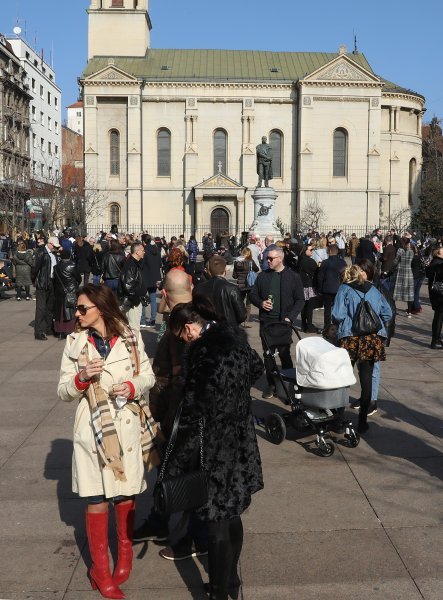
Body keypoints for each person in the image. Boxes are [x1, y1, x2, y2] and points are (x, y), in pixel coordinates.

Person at [58, 284, 156, 599]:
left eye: (82, 308)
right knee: (96, 498)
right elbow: (62, 391)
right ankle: (100, 569)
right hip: (92, 430)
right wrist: (81, 377)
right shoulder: (75, 342)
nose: (77, 313)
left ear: (101, 307)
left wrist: (131, 385)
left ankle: (124, 557)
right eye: (77, 308)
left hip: (125, 428)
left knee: (125, 495)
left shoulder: (130, 336)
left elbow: (149, 377)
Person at [166, 298, 264, 599]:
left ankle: (221, 593)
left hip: (213, 445)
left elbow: (194, 408)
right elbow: (257, 368)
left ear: (188, 328)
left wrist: (178, 459)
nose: (184, 342)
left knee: (216, 522)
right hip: (240, 438)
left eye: (181, 336)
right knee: (232, 513)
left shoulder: (205, 352)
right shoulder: (233, 338)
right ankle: (231, 582)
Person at [332, 264, 392, 434]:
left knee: (343, 378)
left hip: (350, 338)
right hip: (371, 339)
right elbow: (387, 313)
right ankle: (363, 420)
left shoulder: (344, 289)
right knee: (366, 380)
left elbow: (337, 315)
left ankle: (338, 417)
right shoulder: (373, 289)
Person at [249, 246, 304, 399]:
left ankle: (288, 384)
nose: (268, 261)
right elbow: (253, 295)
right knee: (268, 356)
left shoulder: (293, 277)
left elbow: (300, 299)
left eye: (271, 258)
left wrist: (290, 317)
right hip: (267, 322)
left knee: (285, 355)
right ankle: (272, 384)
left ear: (280, 258)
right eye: (267, 258)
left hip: (284, 322)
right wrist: (261, 303)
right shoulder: (262, 276)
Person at [197, 255, 246, 326]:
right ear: (225, 270)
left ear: (208, 270)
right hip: (228, 330)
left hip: (206, 330)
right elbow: (242, 315)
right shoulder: (232, 288)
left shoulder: (199, 288)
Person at [32, 236, 60, 340]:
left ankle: (48, 328)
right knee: (41, 308)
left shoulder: (53, 254)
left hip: (52, 282)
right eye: (54, 246)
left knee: (50, 307)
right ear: (49, 243)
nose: (55, 248)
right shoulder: (41, 252)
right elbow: (35, 268)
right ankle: (39, 332)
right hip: (43, 283)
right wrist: (35, 280)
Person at [53, 249, 81, 339]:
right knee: (70, 310)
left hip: (59, 291)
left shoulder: (56, 266)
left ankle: (60, 331)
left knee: (60, 312)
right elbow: (78, 278)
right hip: (71, 291)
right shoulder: (72, 265)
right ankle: (69, 330)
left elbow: (54, 280)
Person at [317, 245, 346, 328]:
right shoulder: (342, 262)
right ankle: (337, 326)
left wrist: (320, 288)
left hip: (327, 288)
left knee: (327, 310)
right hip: (339, 288)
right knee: (338, 308)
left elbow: (320, 277)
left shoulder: (325, 262)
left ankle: (327, 327)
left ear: (329, 252)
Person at [119, 242, 145, 332]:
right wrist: (137, 299)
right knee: (134, 328)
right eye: (142, 250)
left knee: (135, 327)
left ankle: (138, 345)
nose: (144, 252)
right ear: (137, 252)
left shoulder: (136, 263)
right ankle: (134, 345)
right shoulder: (131, 265)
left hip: (135, 300)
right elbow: (128, 286)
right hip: (132, 302)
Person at [298, 243, 323, 333]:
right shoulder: (309, 261)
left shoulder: (301, 259)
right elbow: (316, 272)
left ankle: (304, 325)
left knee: (304, 306)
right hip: (309, 286)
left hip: (302, 285)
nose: (312, 251)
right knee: (309, 307)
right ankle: (309, 326)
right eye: (310, 250)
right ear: (305, 251)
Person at [233, 247, 259, 328]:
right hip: (249, 284)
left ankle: (240, 318)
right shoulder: (251, 261)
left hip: (240, 285)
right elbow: (257, 269)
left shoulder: (237, 262)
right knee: (248, 303)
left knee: (240, 302)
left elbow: (234, 276)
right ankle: (246, 321)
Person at [140, 234, 162, 328]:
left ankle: (143, 320)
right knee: (153, 299)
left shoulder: (144, 251)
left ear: (144, 242)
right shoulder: (157, 250)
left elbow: (141, 264)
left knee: (143, 299)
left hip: (145, 277)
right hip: (155, 277)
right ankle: (153, 319)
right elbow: (160, 264)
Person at [425, 246, 443, 349]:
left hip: (436, 295)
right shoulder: (438, 264)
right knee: (439, 317)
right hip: (440, 295)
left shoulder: (434, 262)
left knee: (439, 316)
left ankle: (437, 339)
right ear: (438, 253)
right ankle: (435, 340)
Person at [392, 237, 414, 317]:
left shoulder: (400, 250)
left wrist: (393, 265)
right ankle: (409, 312)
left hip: (400, 272)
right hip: (408, 272)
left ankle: (394, 310)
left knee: (396, 291)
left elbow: (395, 261)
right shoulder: (411, 252)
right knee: (409, 292)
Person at [410, 244, 426, 314]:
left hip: (415, 275)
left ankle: (416, 307)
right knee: (416, 292)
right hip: (421, 275)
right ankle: (416, 307)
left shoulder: (412, 257)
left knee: (413, 292)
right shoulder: (419, 255)